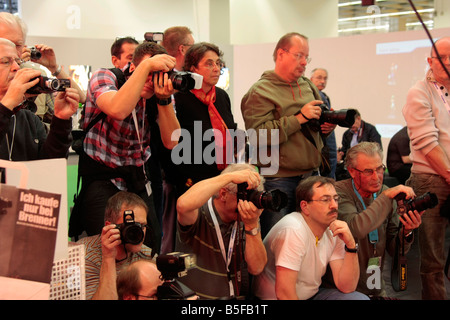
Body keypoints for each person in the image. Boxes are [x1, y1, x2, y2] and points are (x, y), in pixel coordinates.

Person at [73, 41, 180, 255]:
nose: (155, 79)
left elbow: (172, 141)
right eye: (151, 72)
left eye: (160, 73)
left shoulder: (159, 94)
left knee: (150, 248)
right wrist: (146, 68)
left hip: (138, 179)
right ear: (134, 67)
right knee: (106, 250)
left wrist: (164, 99)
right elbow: (117, 108)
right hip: (102, 176)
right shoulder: (105, 76)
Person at [241, 32, 327, 238]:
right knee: (276, 242)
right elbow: (257, 136)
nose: (305, 62)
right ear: (281, 54)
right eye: (299, 55)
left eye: (307, 57)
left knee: (310, 240)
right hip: (279, 179)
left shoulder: (307, 85)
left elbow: (314, 121)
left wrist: (324, 126)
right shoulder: (260, 91)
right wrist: (299, 118)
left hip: (310, 176)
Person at [252, 175, 368, 300]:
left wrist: (351, 246)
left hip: (311, 296)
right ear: (305, 207)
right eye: (325, 200)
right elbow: (284, 294)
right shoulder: (293, 229)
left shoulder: (334, 229)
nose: (334, 205)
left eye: (336, 199)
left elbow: (347, 287)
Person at [333, 142, 422, 298]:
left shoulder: (386, 192)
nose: (377, 177)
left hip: (375, 284)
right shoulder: (338, 192)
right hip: (344, 288)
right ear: (352, 172)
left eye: (380, 168)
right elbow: (356, 228)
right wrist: (385, 197)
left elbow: (394, 249)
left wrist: (407, 231)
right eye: (368, 171)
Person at [402, 36, 450, 300]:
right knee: (433, 260)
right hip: (431, 180)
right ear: (430, 61)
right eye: (443, 57)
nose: (449, 62)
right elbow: (426, 142)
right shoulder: (419, 92)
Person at [175, 163, 267, 299]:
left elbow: (257, 267)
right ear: (223, 194)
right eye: (246, 195)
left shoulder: (248, 219)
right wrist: (231, 177)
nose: (250, 204)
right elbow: (183, 204)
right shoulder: (200, 211)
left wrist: (252, 227)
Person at [0, 38, 79, 161]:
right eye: (5, 62)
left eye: (17, 61)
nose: (16, 67)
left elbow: (51, 165)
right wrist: (7, 104)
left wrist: (61, 120)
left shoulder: (29, 119)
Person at [77, 191, 155, 300]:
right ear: (110, 226)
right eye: (131, 226)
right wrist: (108, 257)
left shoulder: (145, 255)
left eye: (142, 226)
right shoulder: (85, 256)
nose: (139, 232)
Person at [310, 67, 338, 179]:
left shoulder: (324, 96)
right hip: (323, 145)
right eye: (319, 78)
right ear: (311, 79)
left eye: (325, 78)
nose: (322, 81)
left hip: (326, 145)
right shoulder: (316, 95)